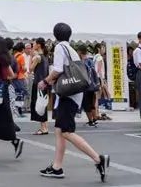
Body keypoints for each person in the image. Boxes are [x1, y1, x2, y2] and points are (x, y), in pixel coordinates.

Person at [37, 23, 108, 180]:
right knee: (59, 131)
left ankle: (98, 159)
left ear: (55, 35)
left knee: (67, 132)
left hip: (68, 95)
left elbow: (58, 70)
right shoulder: (70, 49)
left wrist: (45, 82)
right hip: (73, 94)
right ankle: (57, 167)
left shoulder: (60, 48)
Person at [29, 38, 50, 135]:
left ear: (38, 45)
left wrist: (30, 57)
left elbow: (30, 69)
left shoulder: (37, 57)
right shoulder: (45, 56)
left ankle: (43, 128)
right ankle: (44, 127)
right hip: (44, 83)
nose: (33, 45)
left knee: (39, 105)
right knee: (42, 104)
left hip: (38, 83)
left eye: (34, 44)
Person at [76, 46, 99, 127]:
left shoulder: (82, 62)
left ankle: (90, 121)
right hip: (93, 85)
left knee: (86, 104)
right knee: (92, 103)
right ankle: (94, 119)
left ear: (80, 52)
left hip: (85, 86)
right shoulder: (90, 61)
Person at [12, 43, 28, 118]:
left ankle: (16, 110)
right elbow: (24, 68)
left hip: (14, 78)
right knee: (21, 94)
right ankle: (19, 111)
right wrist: (25, 70)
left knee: (16, 94)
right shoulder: (21, 56)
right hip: (20, 78)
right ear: (22, 49)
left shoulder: (14, 56)